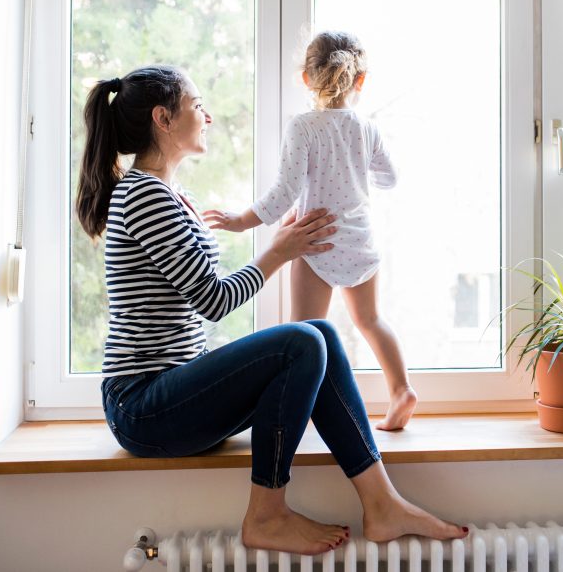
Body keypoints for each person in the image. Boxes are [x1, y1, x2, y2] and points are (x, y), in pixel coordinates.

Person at [75, 64, 466, 555]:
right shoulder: (145, 196)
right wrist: (279, 251)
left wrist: (279, 243)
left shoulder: (170, 195)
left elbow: (197, 289)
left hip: (172, 391)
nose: (208, 116)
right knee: (301, 341)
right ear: (163, 118)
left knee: (318, 333)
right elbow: (213, 299)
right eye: (197, 105)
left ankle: (382, 503)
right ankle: (266, 513)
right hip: (142, 405)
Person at [210, 32, 416, 431]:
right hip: (360, 240)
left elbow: (284, 192)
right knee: (371, 320)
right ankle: (401, 389)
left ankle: (298, 413)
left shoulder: (302, 128)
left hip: (314, 241)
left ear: (305, 78)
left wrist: (240, 221)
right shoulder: (366, 128)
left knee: (301, 335)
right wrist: (357, 168)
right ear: (360, 81)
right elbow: (390, 178)